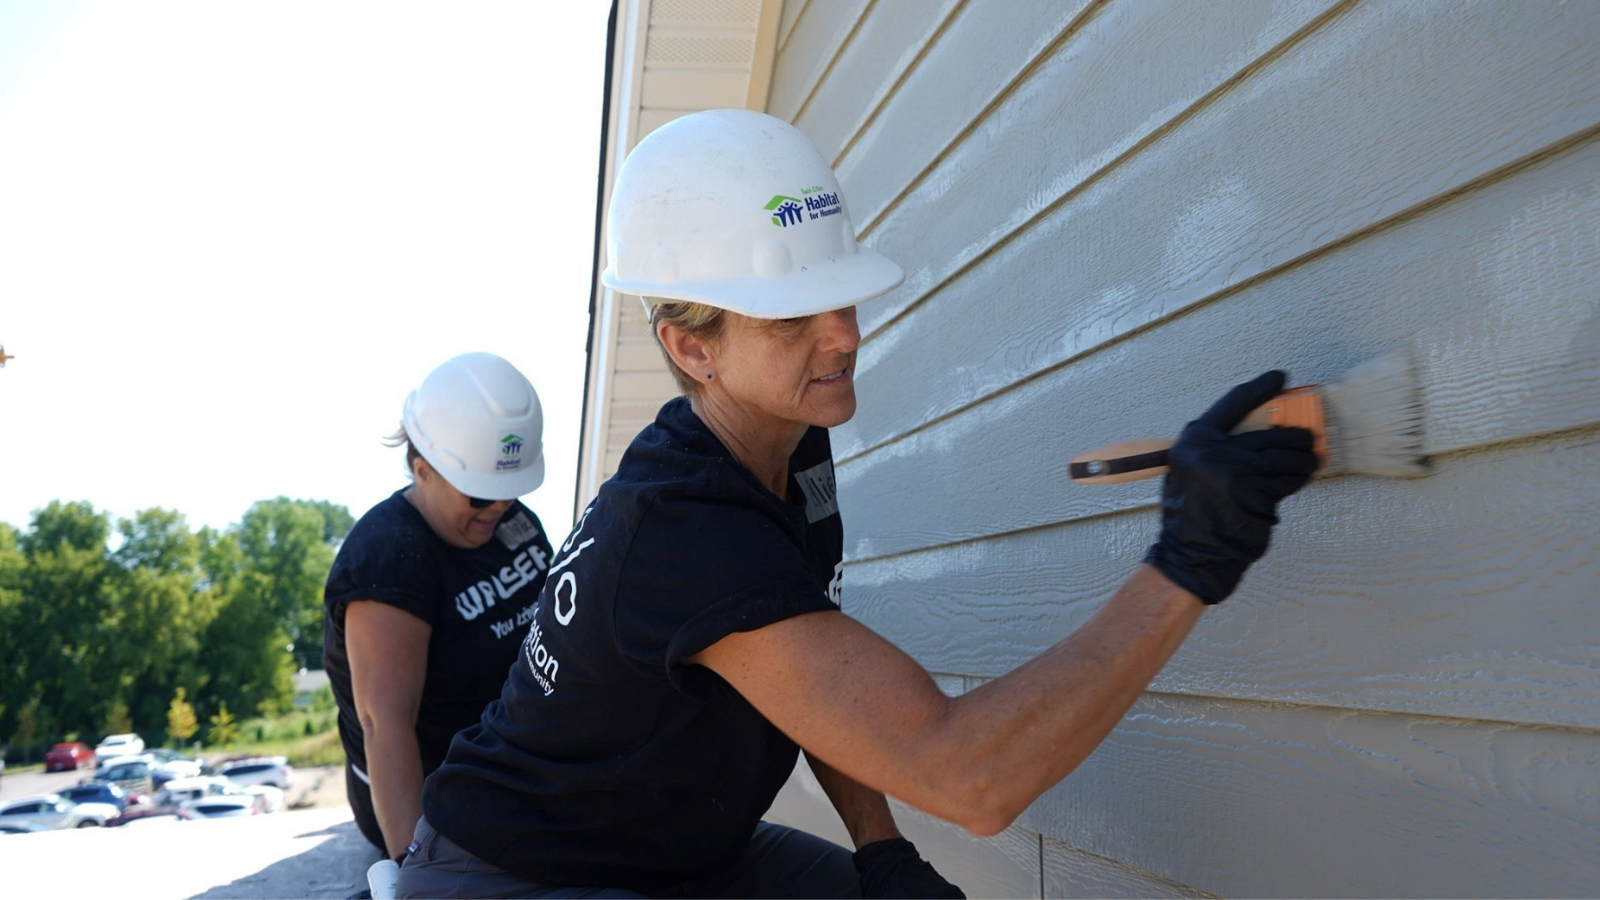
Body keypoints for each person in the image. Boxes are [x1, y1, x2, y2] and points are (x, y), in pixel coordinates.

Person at [398, 110, 1317, 899]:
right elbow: (970, 775)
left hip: (677, 855)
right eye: (792, 316)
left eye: (838, 295)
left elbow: (820, 674)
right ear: (692, 348)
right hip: (515, 873)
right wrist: (1189, 563)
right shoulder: (683, 528)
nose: (842, 334)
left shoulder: (789, 441)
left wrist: (879, 848)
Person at [323, 351, 555, 864]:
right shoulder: (388, 562)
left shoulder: (508, 521)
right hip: (436, 789)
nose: (498, 508)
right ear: (422, 469)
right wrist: (415, 865)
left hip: (514, 762)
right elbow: (385, 724)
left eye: (508, 490)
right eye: (479, 494)